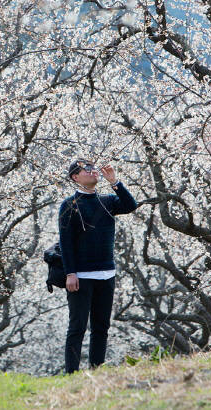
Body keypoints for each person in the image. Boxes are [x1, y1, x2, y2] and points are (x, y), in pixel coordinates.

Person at [58, 158, 138, 374]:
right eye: (87, 168)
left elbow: (131, 206)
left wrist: (115, 182)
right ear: (75, 177)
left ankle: (96, 371)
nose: (93, 171)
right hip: (81, 276)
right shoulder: (69, 205)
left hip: (106, 273)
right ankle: (71, 373)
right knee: (77, 327)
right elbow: (66, 242)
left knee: (101, 327)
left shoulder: (107, 201)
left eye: (94, 167)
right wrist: (70, 273)